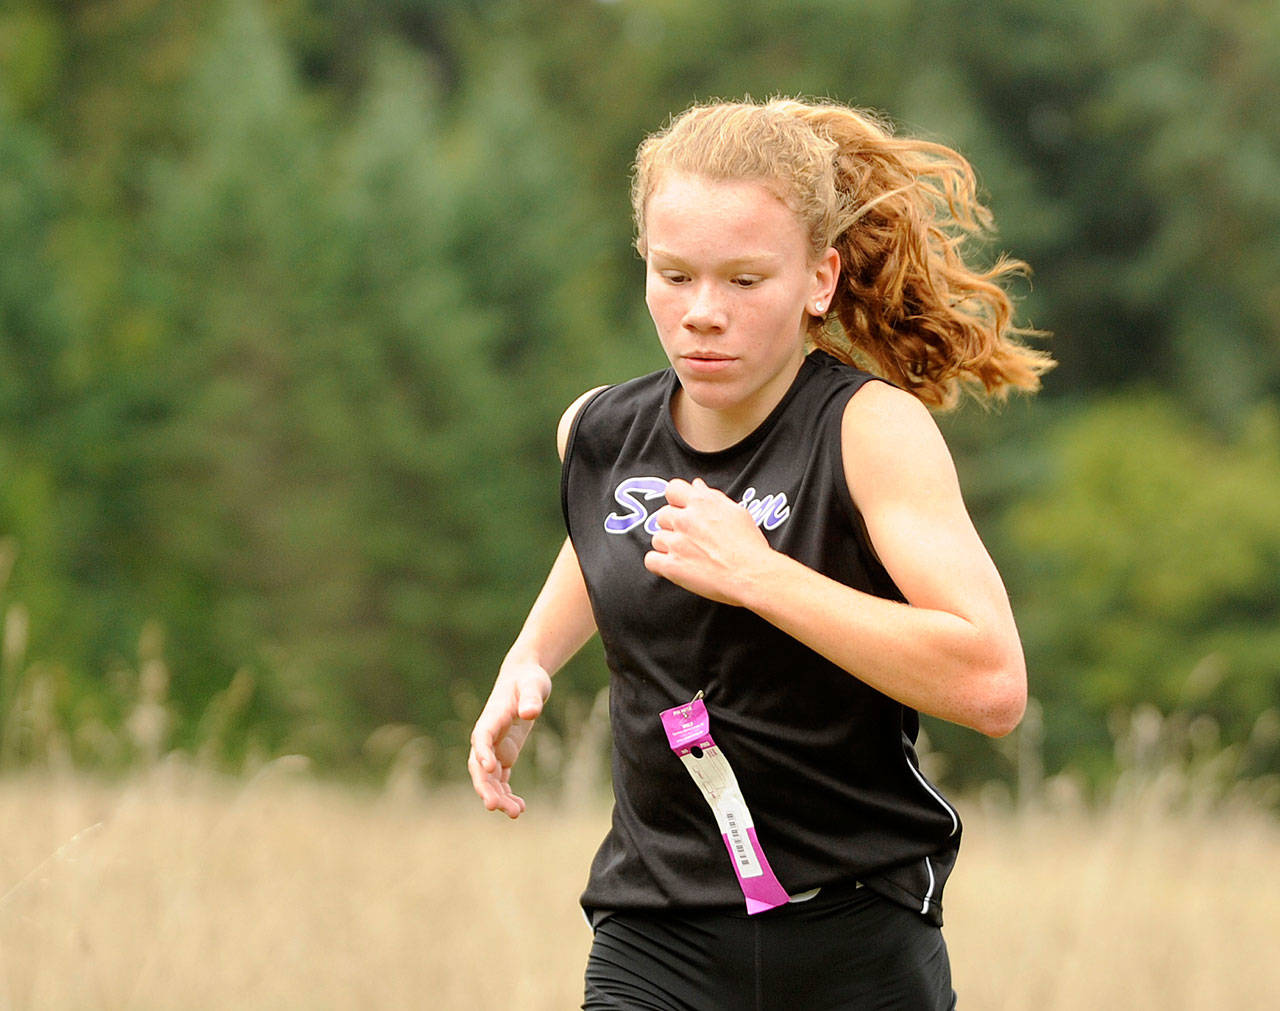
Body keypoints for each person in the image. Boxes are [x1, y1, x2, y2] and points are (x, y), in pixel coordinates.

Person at [468, 96, 1053, 1010]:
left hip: (855, 938)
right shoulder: (596, 432)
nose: (703, 313)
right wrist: (528, 658)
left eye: (744, 281)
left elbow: (991, 684)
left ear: (819, 280)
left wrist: (761, 576)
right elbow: (605, 535)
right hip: (652, 931)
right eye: (674, 275)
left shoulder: (867, 433)